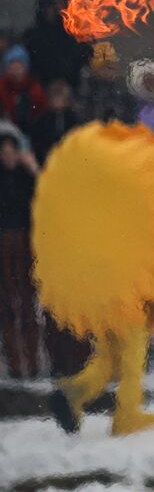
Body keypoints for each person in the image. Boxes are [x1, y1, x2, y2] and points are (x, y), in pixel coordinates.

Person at [0, 131, 41, 379]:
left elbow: (43, 191)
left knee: (26, 302)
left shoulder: (26, 179)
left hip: (25, 239)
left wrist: (32, 167)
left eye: (11, 150)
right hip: (4, 239)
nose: (8, 155)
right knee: (7, 305)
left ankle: (33, 361)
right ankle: (15, 363)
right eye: (4, 151)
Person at [21, 0, 91, 90]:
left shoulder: (74, 35)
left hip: (71, 90)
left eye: (59, 6)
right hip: (42, 92)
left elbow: (82, 62)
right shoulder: (33, 37)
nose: (56, 10)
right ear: (43, 9)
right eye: (50, 6)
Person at [1, 46, 49, 140]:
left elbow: (41, 112)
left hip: (32, 133)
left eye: (19, 67)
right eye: (12, 66)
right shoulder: (2, 87)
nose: (15, 71)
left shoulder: (35, 88)